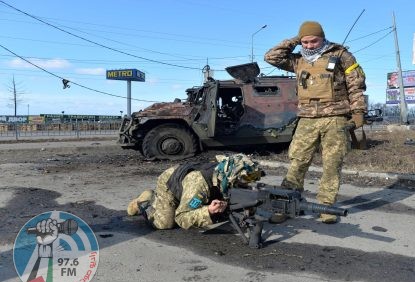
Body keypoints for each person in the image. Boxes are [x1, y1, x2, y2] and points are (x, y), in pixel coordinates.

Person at [264, 21, 367, 224]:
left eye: (314, 41)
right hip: (307, 118)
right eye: (305, 41)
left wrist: (358, 113)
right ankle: (287, 204)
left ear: (323, 37)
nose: (309, 45)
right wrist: (294, 40)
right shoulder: (297, 59)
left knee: (332, 164)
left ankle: (326, 207)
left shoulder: (341, 55)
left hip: (335, 117)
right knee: (297, 162)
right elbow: (271, 57)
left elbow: (356, 85)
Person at [127, 153, 263, 229]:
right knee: (165, 223)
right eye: (245, 178)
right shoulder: (199, 184)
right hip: (170, 185)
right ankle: (145, 200)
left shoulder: (226, 177)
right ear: (231, 176)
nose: (248, 182)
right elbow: (181, 217)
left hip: (195, 184)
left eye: (251, 178)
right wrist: (208, 211)